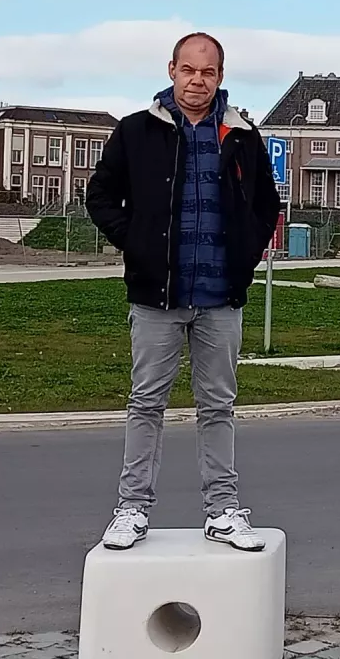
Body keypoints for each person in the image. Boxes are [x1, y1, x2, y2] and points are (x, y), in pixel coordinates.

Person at [85, 32, 282, 552]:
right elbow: (99, 195)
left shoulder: (242, 135)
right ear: (172, 69)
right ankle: (131, 509)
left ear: (221, 76)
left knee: (218, 407)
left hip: (221, 298)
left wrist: (245, 254)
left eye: (208, 72)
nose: (198, 81)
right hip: (157, 298)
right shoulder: (135, 131)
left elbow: (267, 204)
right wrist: (136, 241)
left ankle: (222, 511)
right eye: (189, 70)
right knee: (146, 403)